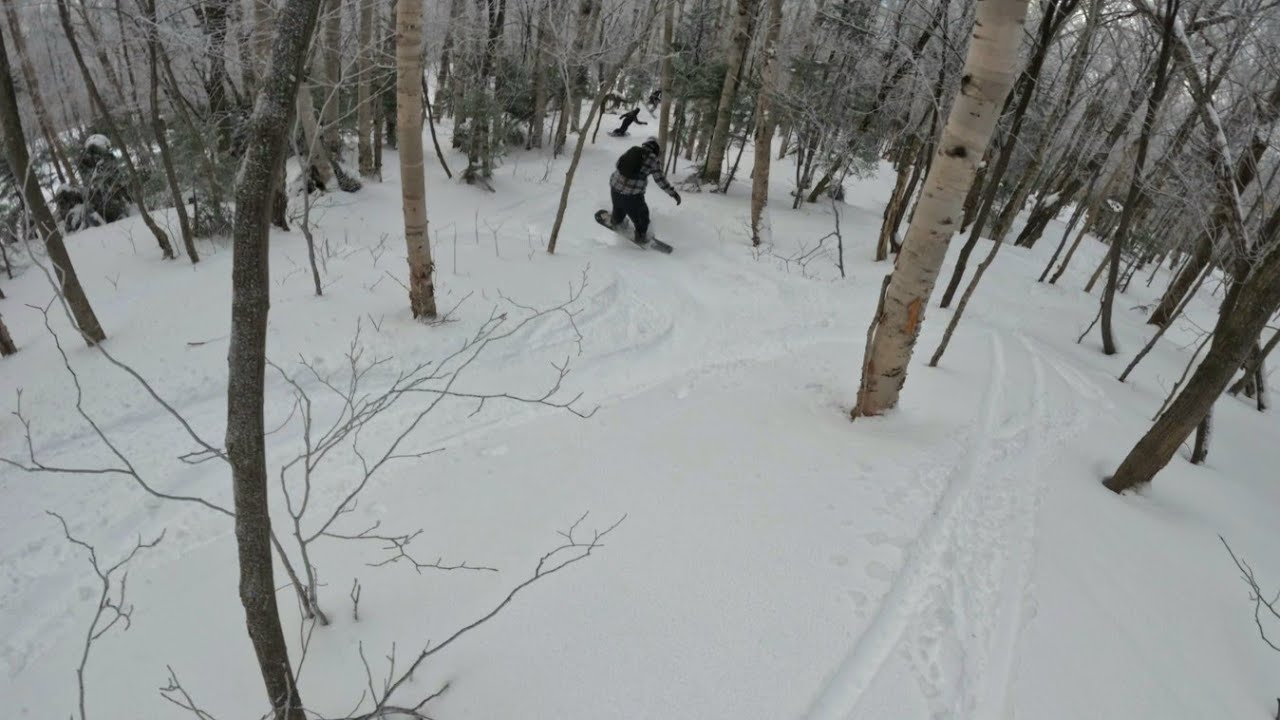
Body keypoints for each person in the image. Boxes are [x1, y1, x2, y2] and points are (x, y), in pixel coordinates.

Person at [607, 137, 681, 246]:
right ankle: (641, 236)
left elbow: (618, 164)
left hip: (615, 188)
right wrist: (673, 193)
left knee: (619, 206)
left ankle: (616, 221)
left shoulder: (632, 150)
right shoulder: (653, 159)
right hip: (632, 195)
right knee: (642, 216)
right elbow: (660, 179)